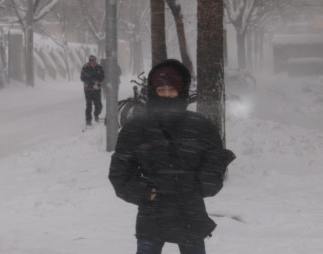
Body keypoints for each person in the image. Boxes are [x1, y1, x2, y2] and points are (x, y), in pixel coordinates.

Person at [109, 59, 235, 254]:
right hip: (152, 214)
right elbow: (120, 171)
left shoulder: (201, 126)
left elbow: (213, 166)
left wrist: (199, 185)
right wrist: (144, 192)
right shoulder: (136, 128)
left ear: (181, 91)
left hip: (189, 212)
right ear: (153, 92)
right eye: (161, 90)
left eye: (172, 90)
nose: (167, 95)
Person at [81, 55, 105, 125]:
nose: (93, 62)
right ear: (89, 61)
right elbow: (83, 78)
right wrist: (92, 83)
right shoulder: (85, 68)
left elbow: (102, 77)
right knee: (89, 106)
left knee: (99, 105)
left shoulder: (99, 67)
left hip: (97, 89)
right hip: (88, 90)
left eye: (94, 61)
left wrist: (97, 81)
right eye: (92, 61)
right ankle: (88, 121)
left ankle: (96, 114)